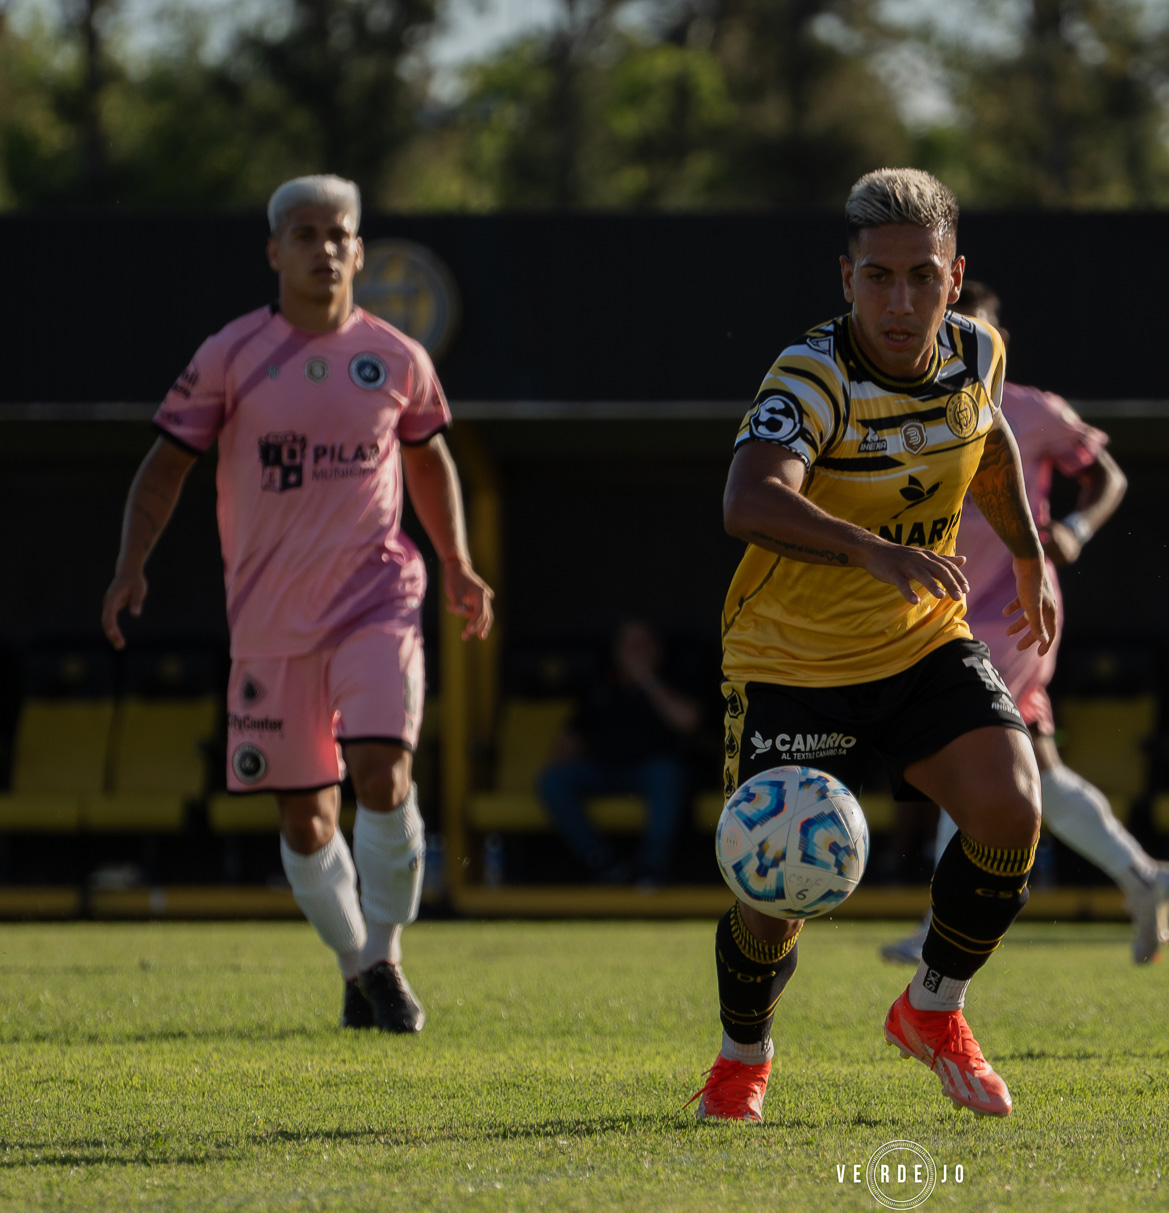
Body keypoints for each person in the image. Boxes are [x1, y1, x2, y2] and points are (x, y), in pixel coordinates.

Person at [692, 168, 1056, 1123]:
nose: (901, 302)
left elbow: (992, 442)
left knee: (1012, 808)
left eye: (923, 278)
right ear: (845, 277)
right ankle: (742, 1056)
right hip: (790, 660)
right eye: (879, 278)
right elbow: (748, 499)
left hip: (919, 642)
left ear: (954, 275)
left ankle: (933, 1007)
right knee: (772, 892)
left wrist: (1027, 554)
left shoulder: (978, 353)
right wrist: (871, 551)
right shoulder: (811, 374)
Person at [100, 175, 495, 1032]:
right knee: (307, 818)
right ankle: (357, 965)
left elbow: (429, 462)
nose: (323, 249)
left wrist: (456, 562)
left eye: (338, 234)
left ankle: (385, 957)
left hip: (377, 598)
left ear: (360, 252)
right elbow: (164, 467)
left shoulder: (397, 357)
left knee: (384, 771)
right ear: (274, 251)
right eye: (305, 234)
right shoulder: (231, 356)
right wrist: (131, 565)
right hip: (272, 620)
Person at [878, 281, 1169, 968]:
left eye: (976, 331)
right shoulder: (917, 411)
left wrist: (1074, 528)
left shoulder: (1033, 410)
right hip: (948, 607)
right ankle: (1144, 879)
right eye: (951, 331)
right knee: (1038, 768)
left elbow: (1106, 474)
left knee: (960, 743)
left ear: (1001, 342)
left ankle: (943, 926)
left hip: (1017, 602)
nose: (963, 344)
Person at [535, 619, 700, 885]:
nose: (634, 652)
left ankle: (651, 869)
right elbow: (570, 738)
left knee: (668, 774)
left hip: (652, 773)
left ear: (657, 650)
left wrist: (647, 680)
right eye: (628, 645)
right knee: (552, 782)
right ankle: (603, 864)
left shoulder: (673, 680)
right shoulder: (601, 688)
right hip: (604, 771)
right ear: (616, 652)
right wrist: (557, 767)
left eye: (642, 645)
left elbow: (689, 721)